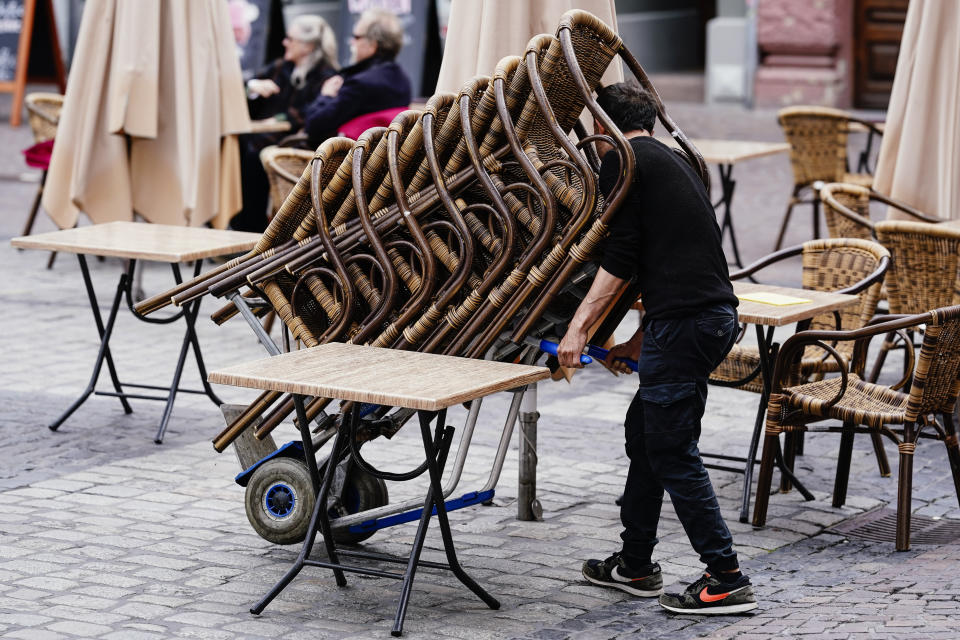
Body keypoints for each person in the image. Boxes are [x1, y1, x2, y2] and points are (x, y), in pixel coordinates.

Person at [556, 83, 758, 615]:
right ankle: (635, 564)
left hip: (690, 325)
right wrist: (636, 342)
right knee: (646, 437)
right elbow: (670, 260)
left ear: (602, 126)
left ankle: (726, 578)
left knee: (670, 449)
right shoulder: (670, 160)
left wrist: (578, 331)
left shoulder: (623, 161)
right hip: (702, 320)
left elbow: (622, 259)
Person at [232, 14, 339, 232]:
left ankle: (250, 230)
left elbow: (314, 112)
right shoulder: (280, 67)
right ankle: (234, 221)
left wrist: (282, 119)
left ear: (308, 46)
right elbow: (243, 89)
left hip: (296, 142)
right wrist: (252, 87)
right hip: (262, 135)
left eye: (290, 39)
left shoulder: (327, 75)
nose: (284, 42)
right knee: (232, 147)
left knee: (253, 155)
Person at [301, 9, 412, 148]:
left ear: (373, 45)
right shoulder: (403, 81)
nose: (351, 42)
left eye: (357, 37)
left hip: (337, 163)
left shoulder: (361, 83)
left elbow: (314, 127)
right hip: (382, 161)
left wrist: (326, 96)